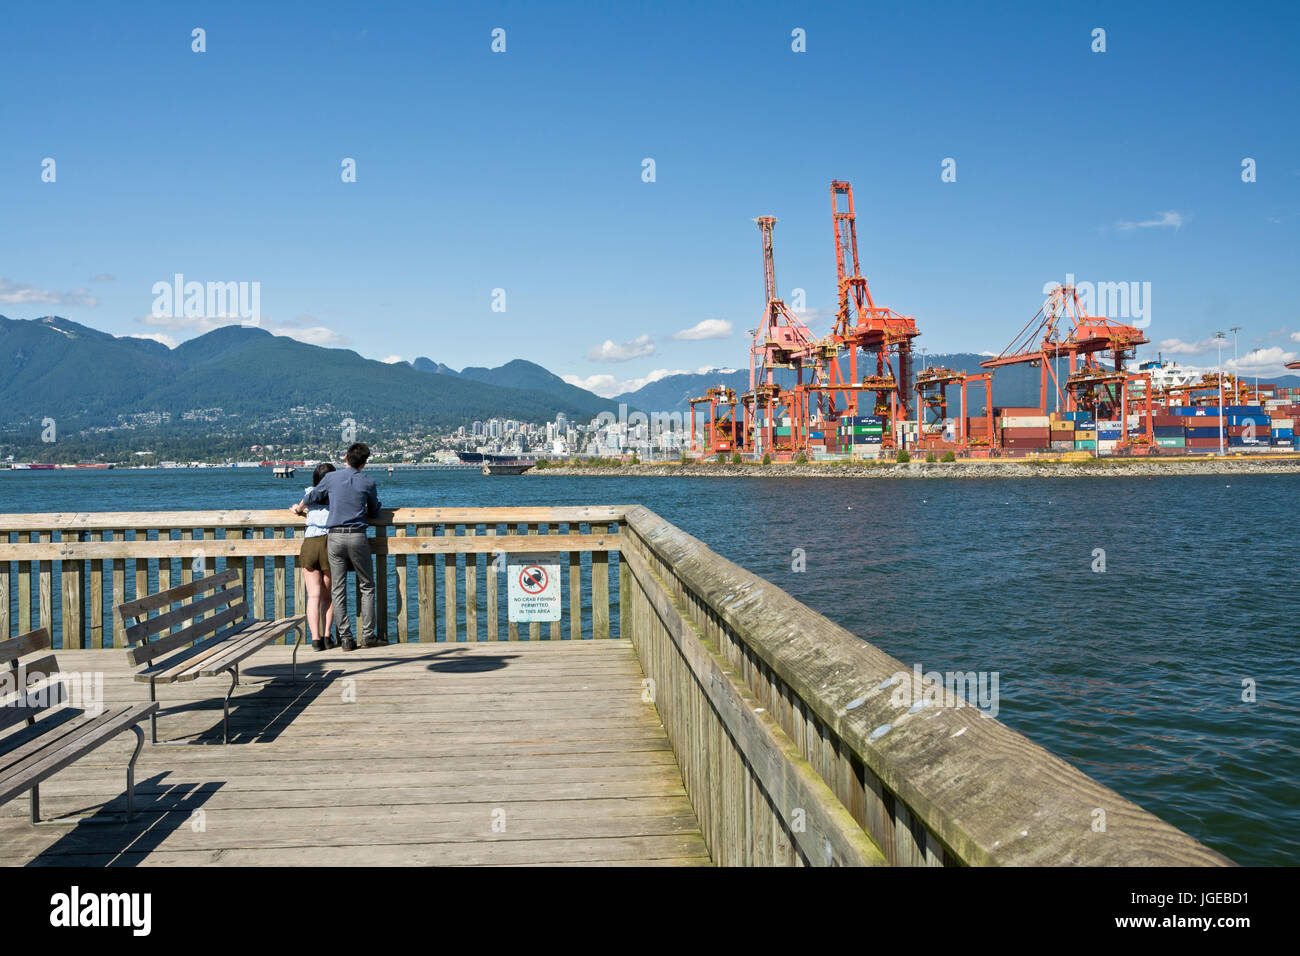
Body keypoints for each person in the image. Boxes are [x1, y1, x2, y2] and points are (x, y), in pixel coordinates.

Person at [293, 442, 384, 652]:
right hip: (357, 536)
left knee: (338, 588)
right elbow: (375, 511)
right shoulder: (368, 482)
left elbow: (311, 497)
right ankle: (368, 636)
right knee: (367, 586)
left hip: (334, 537)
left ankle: (345, 638)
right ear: (364, 463)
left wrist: (298, 509)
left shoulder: (331, 478)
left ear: (345, 458)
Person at [292, 462, 336, 652]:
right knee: (329, 596)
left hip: (310, 543)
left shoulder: (310, 494)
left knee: (313, 596)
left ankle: (315, 639)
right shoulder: (336, 496)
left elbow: (298, 509)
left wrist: (295, 509)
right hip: (329, 543)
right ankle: (327, 636)